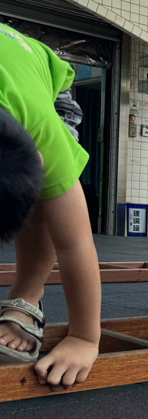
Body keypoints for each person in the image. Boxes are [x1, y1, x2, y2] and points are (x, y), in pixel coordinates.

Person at [0, 23, 101, 388]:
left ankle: (28, 294)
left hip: (47, 84)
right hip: (13, 74)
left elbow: (76, 244)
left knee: (48, 207)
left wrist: (84, 339)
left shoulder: (45, 134)